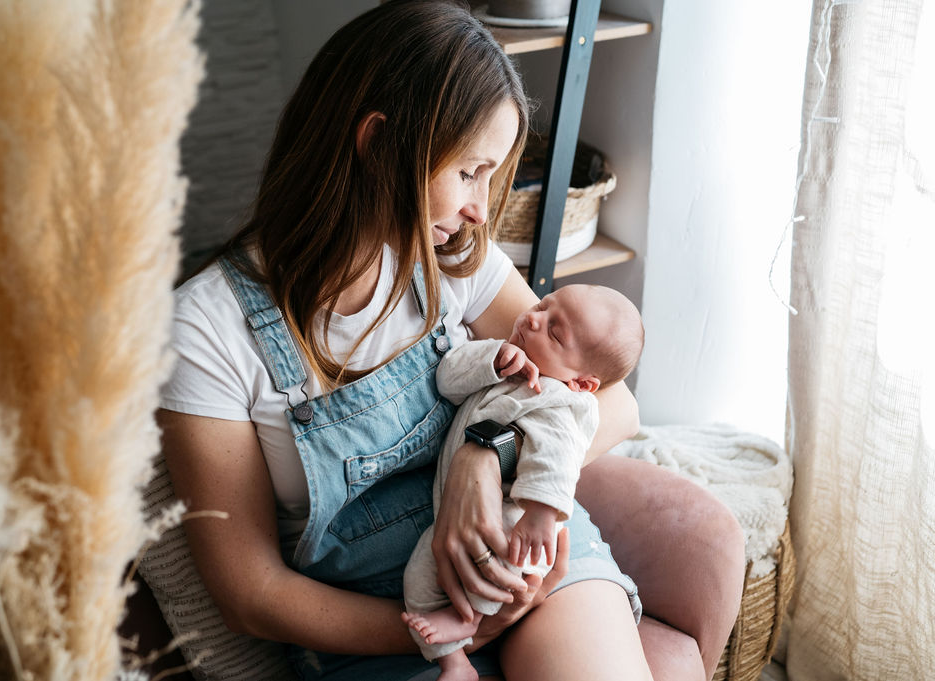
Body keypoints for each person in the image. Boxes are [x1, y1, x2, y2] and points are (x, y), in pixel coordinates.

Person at [147, 1, 746, 680]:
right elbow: (250, 594)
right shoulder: (205, 329)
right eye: (469, 172)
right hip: (379, 618)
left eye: (491, 175)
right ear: (377, 144)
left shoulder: (455, 258)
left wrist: (483, 455)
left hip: (523, 556)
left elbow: (615, 405)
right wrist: (441, 629)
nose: (480, 207)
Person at [402, 284, 645, 681]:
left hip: (519, 526)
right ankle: (455, 660)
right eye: (542, 306)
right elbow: (448, 379)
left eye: (554, 332)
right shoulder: (506, 364)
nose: (533, 319)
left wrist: (541, 514)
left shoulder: (560, 402)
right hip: (451, 517)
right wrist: (492, 360)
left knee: (491, 573)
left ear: (582, 383)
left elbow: (558, 460)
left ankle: (470, 619)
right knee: (419, 575)